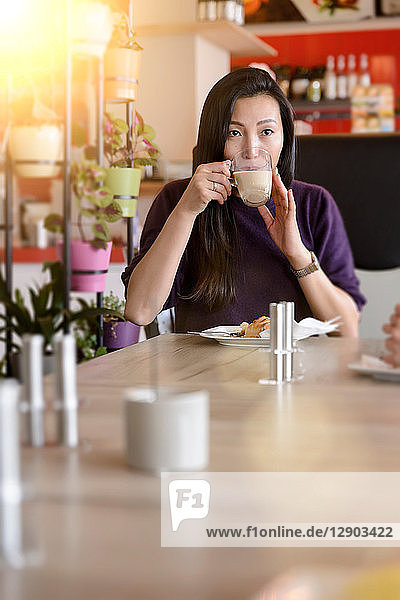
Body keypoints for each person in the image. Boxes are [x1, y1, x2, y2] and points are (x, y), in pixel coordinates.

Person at [122, 67, 365, 336]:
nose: (251, 149)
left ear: (285, 138)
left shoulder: (313, 203)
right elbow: (139, 311)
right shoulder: (178, 199)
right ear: (215, 139)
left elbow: (347, 331)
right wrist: (187, 211)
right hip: (203, 374)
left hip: (292, 371)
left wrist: (297, 253)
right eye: (234, 133)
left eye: (267, 132)